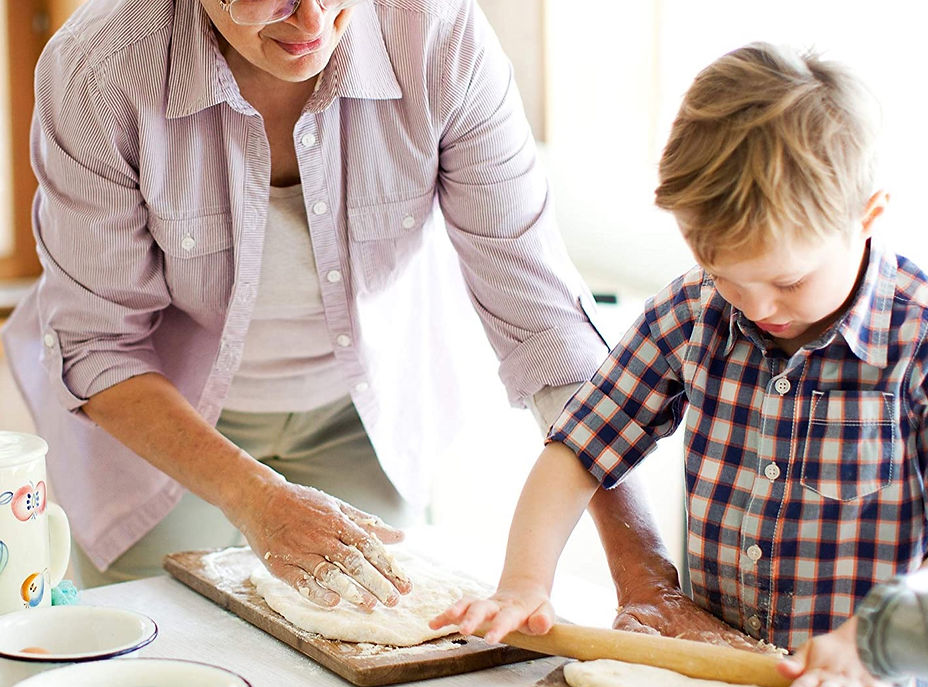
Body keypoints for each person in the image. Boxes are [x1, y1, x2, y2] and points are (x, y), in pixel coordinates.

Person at [1, 0, 731, 631]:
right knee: (166, 644)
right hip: (163, 423)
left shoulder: (439, 38)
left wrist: (645, 576)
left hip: (362, 410)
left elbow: (542, 320)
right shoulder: (99, 70)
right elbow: (100, 343)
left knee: (366, 656)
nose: (314, 21)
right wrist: (257, 497)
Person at [432, 42, 928, 687]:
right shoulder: (694, 310)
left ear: (867, 216)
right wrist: (524, 581)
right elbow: (577, 450)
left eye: (787, 281)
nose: (758, 307)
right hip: (715, 675)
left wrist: (873, 641)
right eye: (724, 274)